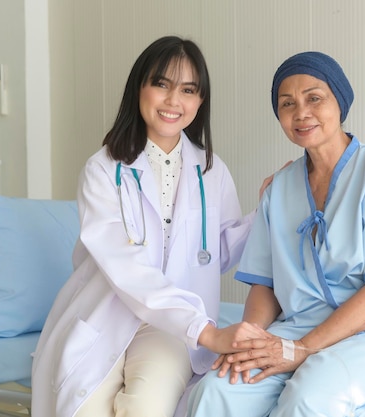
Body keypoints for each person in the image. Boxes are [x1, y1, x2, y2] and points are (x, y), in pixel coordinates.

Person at [186, 51, 365, 417]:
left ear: (340, 102)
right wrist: (251, 341)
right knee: (217, 390)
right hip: (299, 326)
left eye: (314, 98)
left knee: (310, 396)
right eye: (287, 104)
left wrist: (303, 349)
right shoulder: (279, 189)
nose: (300, 112)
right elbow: (265, 285)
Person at [31, 36, 271, 417]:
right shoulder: (103, 170)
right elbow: (124, 266)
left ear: (200, 101)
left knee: (147, 408)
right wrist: (208, 332)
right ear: (139, 87)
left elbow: (217, 253)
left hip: (172, 326)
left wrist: (268, 209)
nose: (174, 101)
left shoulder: (211, 169)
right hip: (106, 315)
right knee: (85, 410)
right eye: (162, 84)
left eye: (188, 90)